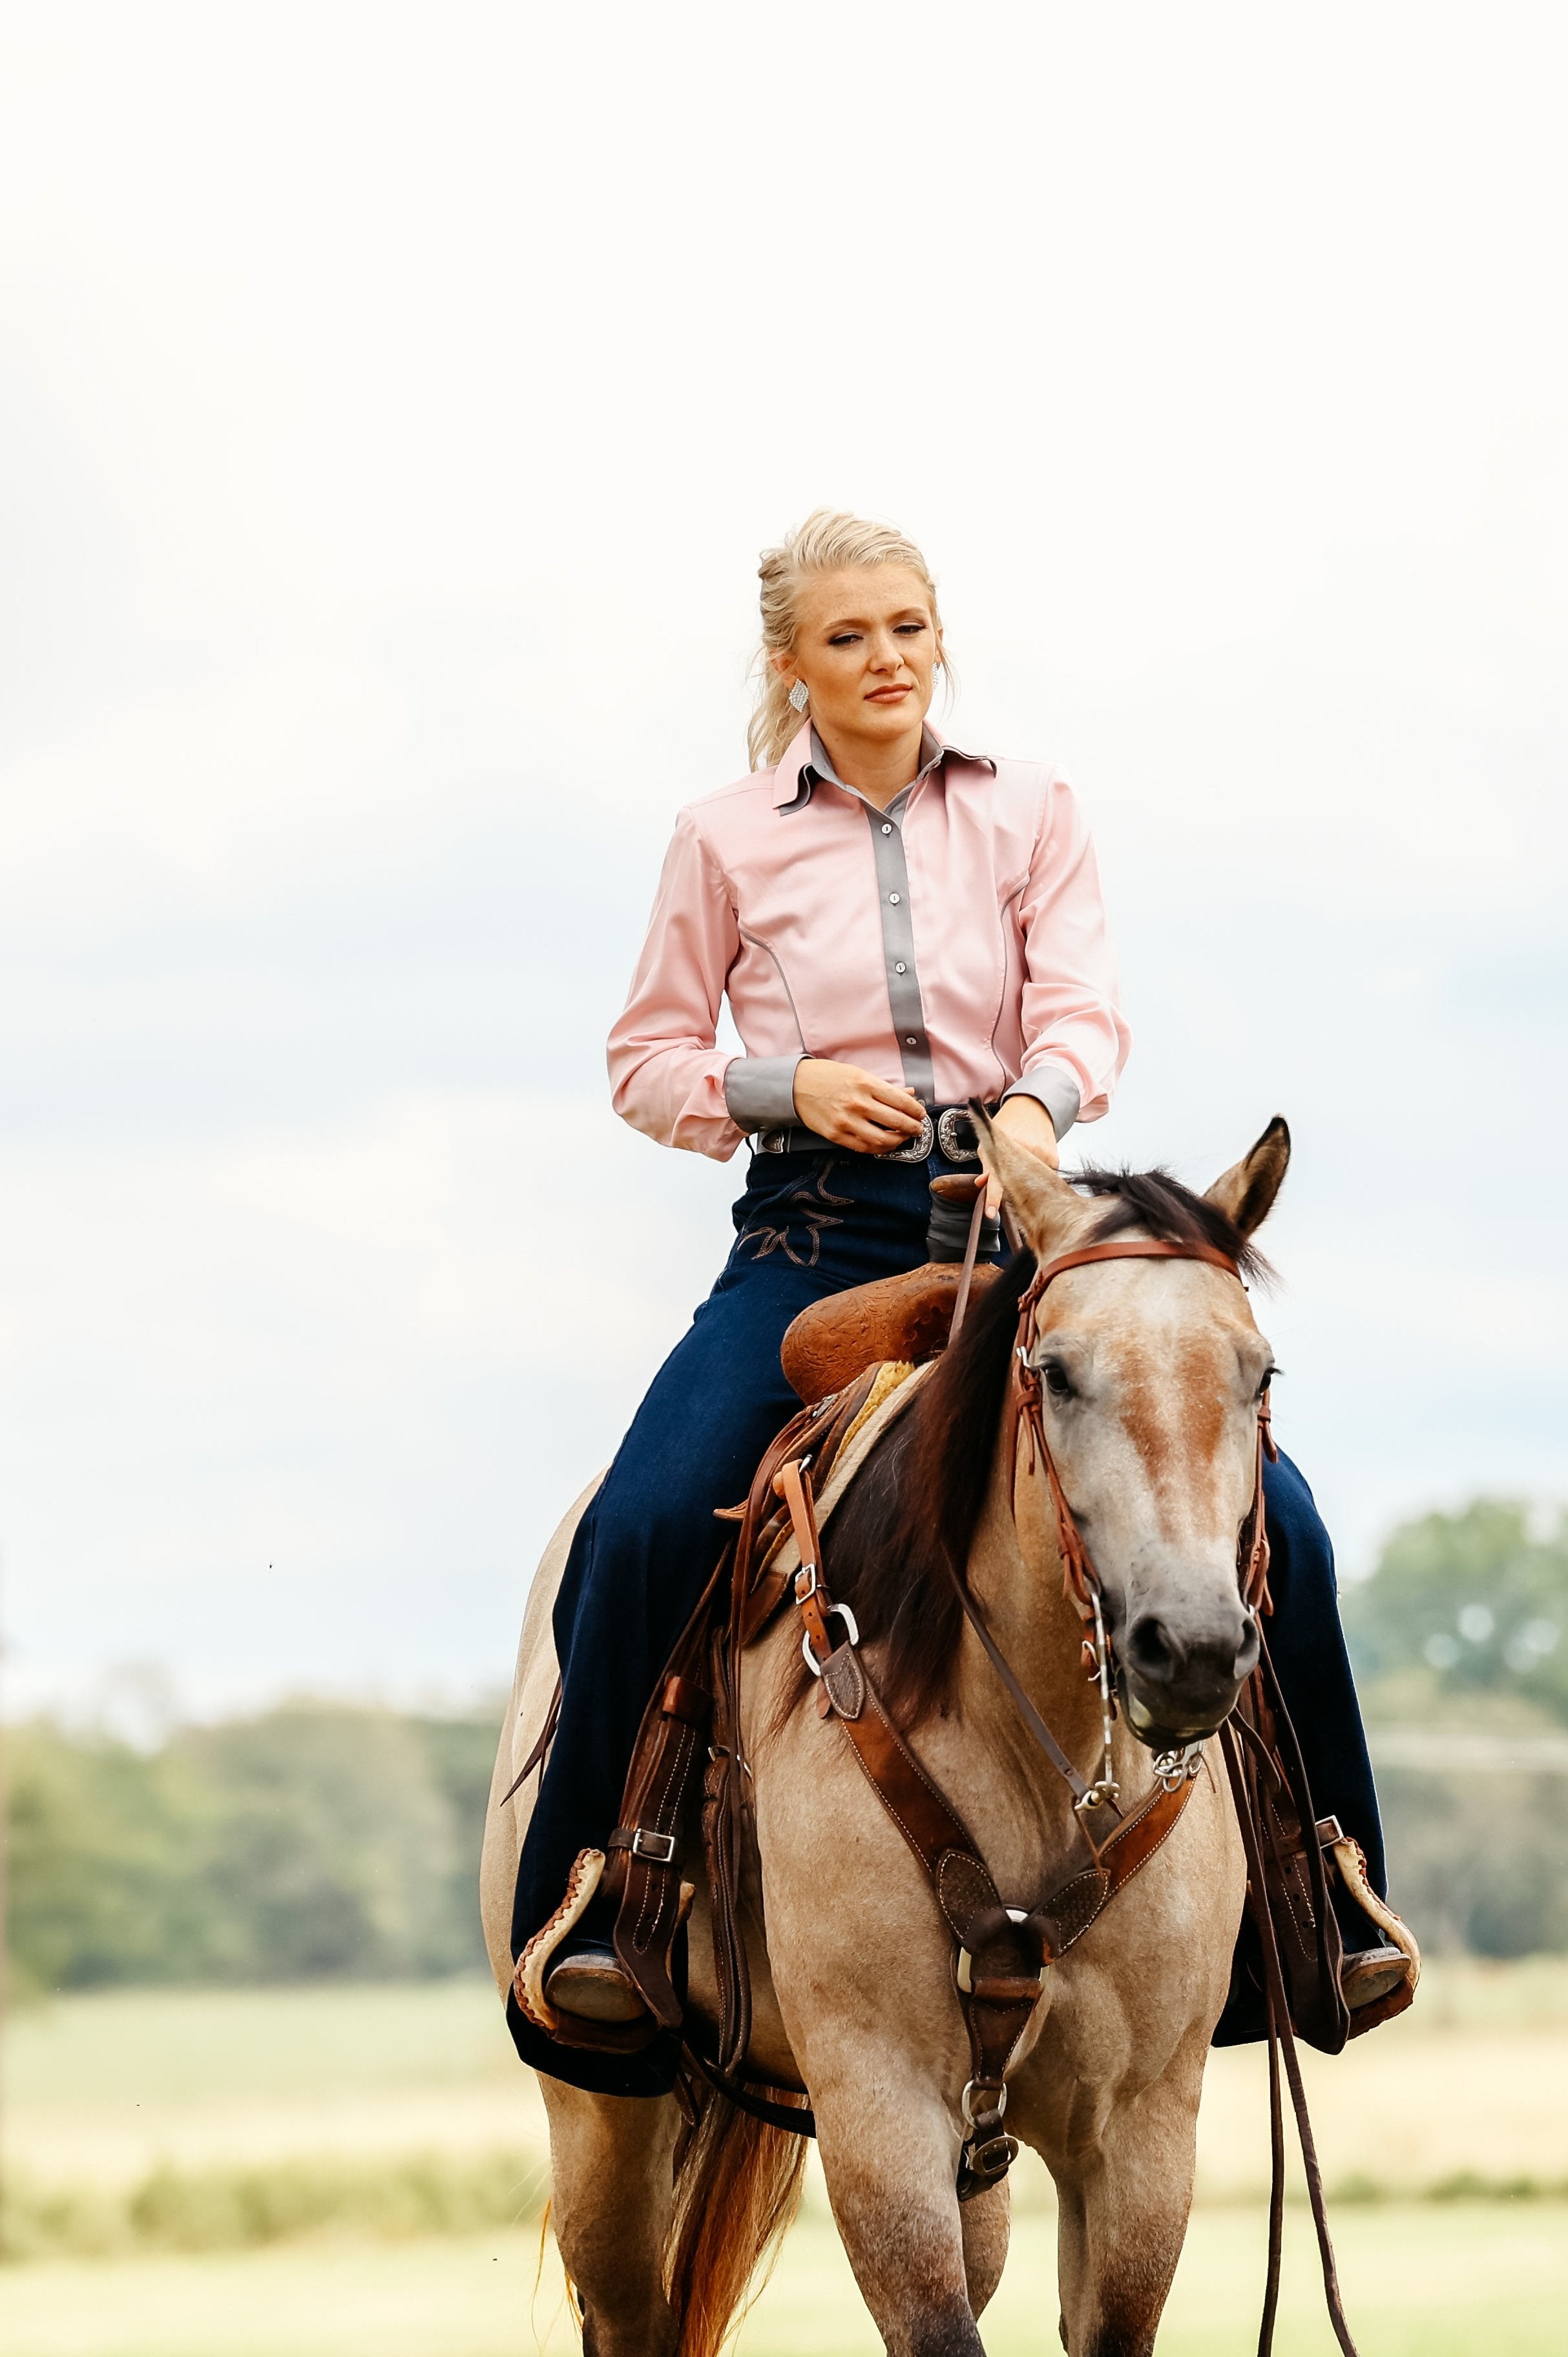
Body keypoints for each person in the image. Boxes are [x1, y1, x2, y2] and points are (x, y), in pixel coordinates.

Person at [508, 510, 1397, 2094]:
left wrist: (1041, 1116)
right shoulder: (722, 839)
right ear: (792, 664)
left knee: (1293, 1524)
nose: (887, 661)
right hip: (815, 1232)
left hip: (1025, 1229)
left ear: (940, 638)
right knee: (643, 1523)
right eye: (848, 638)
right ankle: (595, 1906)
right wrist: (787, 1087)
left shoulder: (1034, 808)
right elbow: (646, 1060)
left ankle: (1320, 1892)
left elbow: (1081, 1004)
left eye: (909, 628)